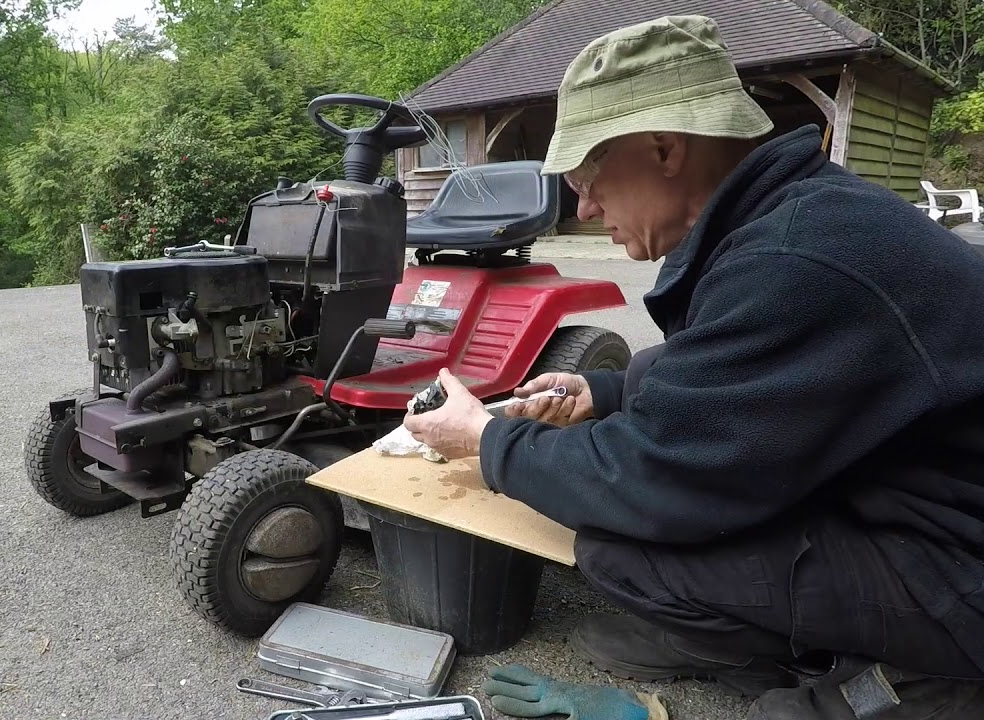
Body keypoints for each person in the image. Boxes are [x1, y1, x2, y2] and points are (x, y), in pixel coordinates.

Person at [403, 14, 984, 720]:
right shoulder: (790, 219)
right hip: (912, 498)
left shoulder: (793, 258)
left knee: (624, 549)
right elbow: (742, 374)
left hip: (959, 567)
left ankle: (876, 672)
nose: (584, 208)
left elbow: (652, 478)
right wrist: (606, 391)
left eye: (590, 180)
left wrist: (485, 439)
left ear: (664, 148)